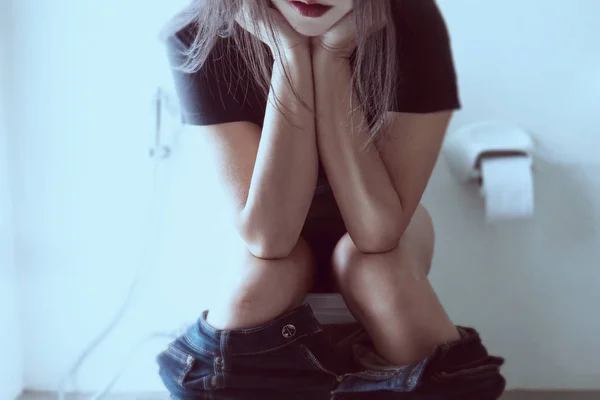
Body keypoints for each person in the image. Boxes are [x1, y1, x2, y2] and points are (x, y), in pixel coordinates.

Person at [157, 0, 505, 398]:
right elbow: (269, 239)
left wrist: (331, 59)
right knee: (265, 276)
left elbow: (377, 232)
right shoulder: (198, 33)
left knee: (374, 271)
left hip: (382, 228)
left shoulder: (413, 22)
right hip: (266, 228)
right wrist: (288, 55)